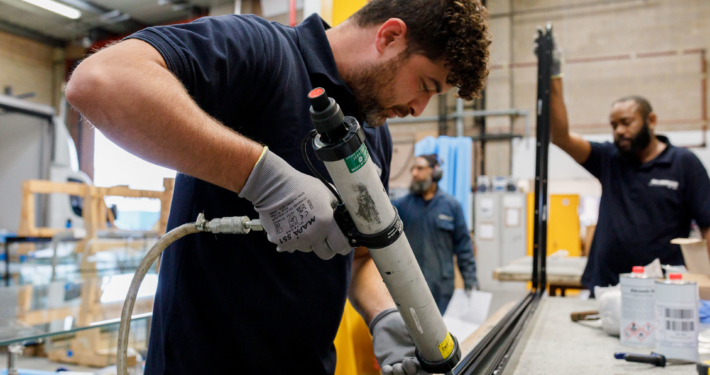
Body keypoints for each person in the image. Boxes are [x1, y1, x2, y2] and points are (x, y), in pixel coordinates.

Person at [66, 1, 491, 374]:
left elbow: (359, 256)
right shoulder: (261, 51)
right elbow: (101, 80)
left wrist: (383, 315)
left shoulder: (372, 136)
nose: (419, 108)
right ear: (390, 35)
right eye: (426, 86)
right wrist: (263, 178)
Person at [538, 33, 710, 291]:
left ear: (651, 120)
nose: (618, 131)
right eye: (614, 125)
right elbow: (561, 138)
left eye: (626, 123)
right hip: (606, 287)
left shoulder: (683, 164)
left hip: (662, 291)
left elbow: (707, 226)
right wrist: (554, 75)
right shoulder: (609, 159)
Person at [393, 154, 477, 314]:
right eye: (413, 169)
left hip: (441, 287)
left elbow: (464, 248)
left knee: (442, 332)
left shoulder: (451, 206)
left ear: (435, 173)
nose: (414, 174)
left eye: (420, 168)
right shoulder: (402, 206)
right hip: (411, 286)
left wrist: (470, 281)